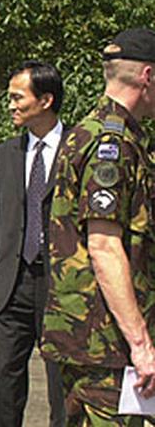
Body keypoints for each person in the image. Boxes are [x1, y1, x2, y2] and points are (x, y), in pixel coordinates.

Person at [41, 28, 155, 424]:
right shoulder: (114, 144)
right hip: (106, 345)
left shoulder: (83, 134)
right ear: (147, 76)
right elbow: (104, 246)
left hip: (88, 340)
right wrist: (141, 345)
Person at [0, 61, 66, 426]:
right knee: (1, 383)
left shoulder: (78, 148)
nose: (10, 105)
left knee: (62, 386)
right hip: (11, 283)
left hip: (60, 285)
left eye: (17, 98)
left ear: (45, 100)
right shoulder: (5, 154)